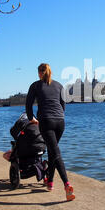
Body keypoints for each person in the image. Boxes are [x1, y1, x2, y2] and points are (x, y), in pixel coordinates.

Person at [25, 63, 75, 201]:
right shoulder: (59, 85)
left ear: (39, 73)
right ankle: (50, 182)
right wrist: (57, 116)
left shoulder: (35, 85)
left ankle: (67, 184)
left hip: (46, 121)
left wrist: (31, 119)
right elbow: (63, 106)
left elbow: (28, 104)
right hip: (60, 122)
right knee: (53, 151)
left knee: (55, 152)